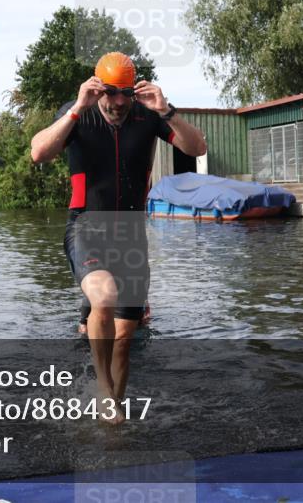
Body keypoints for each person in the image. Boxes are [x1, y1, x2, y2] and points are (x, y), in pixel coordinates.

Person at [30, 52, 207, 419]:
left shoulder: (148, 115)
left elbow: (197, 148)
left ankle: (113, 421)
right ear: (97, 88)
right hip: (86, 227)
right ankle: (102, 390)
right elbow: (39, 152)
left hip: (131, 235)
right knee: (103, 296)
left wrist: (166, 111)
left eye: (125, 93)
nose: (119, 103)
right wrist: (78, 107)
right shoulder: (77, 112)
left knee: (125, 339)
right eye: (111, 94)